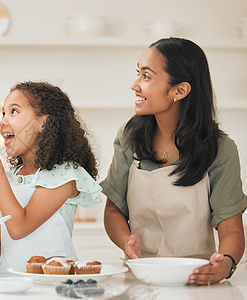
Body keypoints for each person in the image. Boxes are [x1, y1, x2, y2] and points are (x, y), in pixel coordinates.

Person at [101, 37, 246, 285]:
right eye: (138, 73)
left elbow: (231, 228)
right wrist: (126, 242)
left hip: (197, 279)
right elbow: (114, 209)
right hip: (140, 277)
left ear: (180, 90)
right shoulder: (128, 137)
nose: (135, 85)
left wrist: (227, 263)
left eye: (146, 77)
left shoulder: (220, 149)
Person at [0, 81, 102, 273]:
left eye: (14, 111)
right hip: (12, 288)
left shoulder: (64, 175)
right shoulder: (8, 179)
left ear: (43, 122)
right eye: (3, 113)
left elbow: (19, 228)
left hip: (52, 289)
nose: (3, 121)